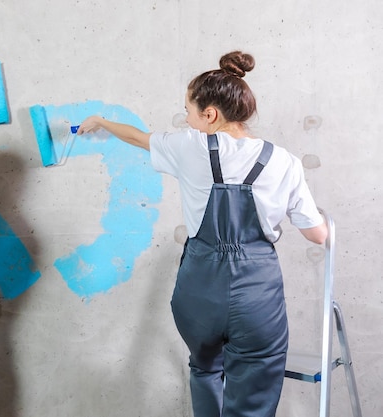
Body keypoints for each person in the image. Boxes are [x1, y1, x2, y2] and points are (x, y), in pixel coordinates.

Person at [78, 51, 327, 417]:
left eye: (188, 112)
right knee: (255, 382)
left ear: (209, 114)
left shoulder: (188, 147)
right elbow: (317, 235)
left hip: (198, 293)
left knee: (205, 367)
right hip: (257, 298)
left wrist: (100, 120)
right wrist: (327, 227)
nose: (188, 121)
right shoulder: (284, 162)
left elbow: (138, 138)